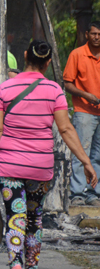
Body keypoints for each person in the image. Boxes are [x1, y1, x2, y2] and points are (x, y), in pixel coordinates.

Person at [0, 40, 98, 269]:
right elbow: (65, 129)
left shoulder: (4, 88)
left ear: (25, 56)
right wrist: (86, 161)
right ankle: (31, 265)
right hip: (40, 168)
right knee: (34, 219)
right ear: (48, 62)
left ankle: (15, 264)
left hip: (9, 166)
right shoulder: (54, 90)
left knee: (15, 217)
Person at [64, 21, 100, 207]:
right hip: (84, 111)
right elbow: (67, 83)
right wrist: (85, 95)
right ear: (87, 34)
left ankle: (94, 193)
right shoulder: (77, 54)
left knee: (98, 154)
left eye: (99, 34)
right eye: (93, 34)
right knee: (81, 152)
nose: (96, 37)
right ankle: (77, 193)